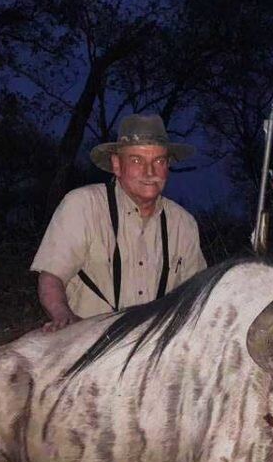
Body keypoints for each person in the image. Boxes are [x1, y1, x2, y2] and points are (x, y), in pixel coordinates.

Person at [31, 113, 208, 332]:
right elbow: (51, 277)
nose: (149, 172)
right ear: (116, 164)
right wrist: (64, 316)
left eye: (159, 161)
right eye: (136, 160)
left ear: (167, 166)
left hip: (155, 347)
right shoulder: (83, 204)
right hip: (89, 340)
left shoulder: (184, 223)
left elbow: (198, 296)